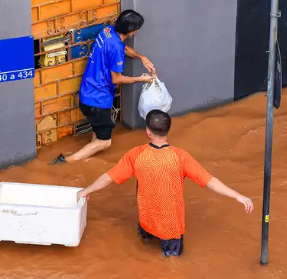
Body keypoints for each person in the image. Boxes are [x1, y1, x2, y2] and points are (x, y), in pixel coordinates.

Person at [76, 110, 253, 257]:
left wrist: (85, 191)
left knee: (143, 247)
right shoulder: (180, 157)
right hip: (171, 226)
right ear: (168, 131)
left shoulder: (136, 155)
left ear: (148, 131)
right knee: (172, 263)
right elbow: (209, 181)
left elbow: (109, 178)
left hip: (147, 220)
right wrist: (238, 195)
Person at [55, 10, 156, 164]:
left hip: (87, 93)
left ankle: (86, 159)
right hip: (98, 100)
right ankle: (65, 162)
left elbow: (122, 47)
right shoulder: (116, 49)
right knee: (105, 142)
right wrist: (141, 79)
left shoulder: (107, 32)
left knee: (98, 134)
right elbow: (116, 79)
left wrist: (142, 57)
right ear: (132, 31)